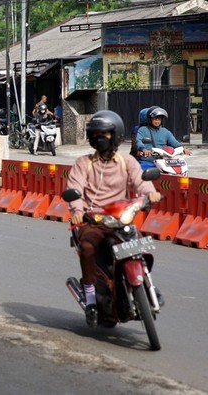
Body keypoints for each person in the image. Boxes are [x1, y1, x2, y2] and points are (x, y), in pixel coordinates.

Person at [66, 110, 161, 327]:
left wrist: (150, 194)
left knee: (138, 244)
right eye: (96, 134)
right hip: (94, 220)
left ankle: (149, 286)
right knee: (88, 248)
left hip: (120, 218)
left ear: (116, 135)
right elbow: (74, 188)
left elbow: (141, 182)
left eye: (105, 134)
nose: (101, 138)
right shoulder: (83, 163)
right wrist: (77, 211)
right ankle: (90, 298)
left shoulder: (126, 161)